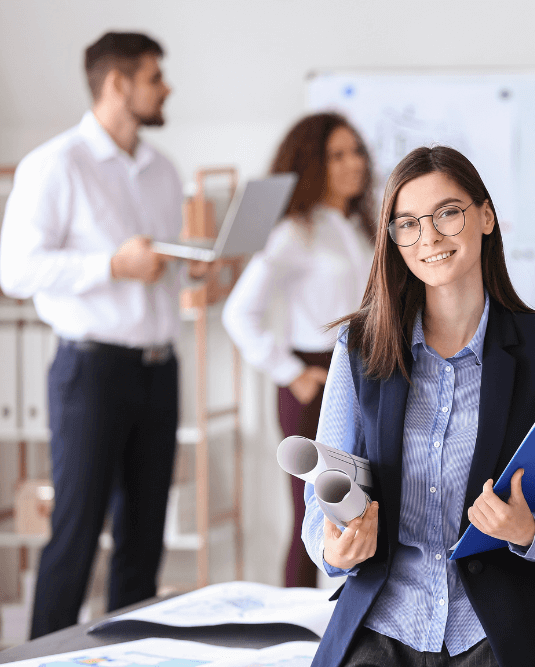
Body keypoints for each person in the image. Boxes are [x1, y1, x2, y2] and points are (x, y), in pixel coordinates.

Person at [302, 146, 535, 667]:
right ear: (392, 240)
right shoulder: (360, 351)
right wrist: (334, 551)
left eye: (447, 213)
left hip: (498, 636)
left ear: (485, 217)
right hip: (383, 629)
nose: (430, 238)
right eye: (408, 223)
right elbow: (318, 512)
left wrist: (526, 532)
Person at [0, 32, 205, 637]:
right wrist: (110, 265)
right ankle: (41, 658)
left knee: (144, 537)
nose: (166, 88)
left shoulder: (163, 171)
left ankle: (129, 653)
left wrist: (192, 274)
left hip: (158, 367)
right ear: (118, 84)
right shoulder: (55, 164)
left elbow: (154, 275)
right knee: (77, 530)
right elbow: (14, 271)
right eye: (154, 77)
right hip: (91, 371)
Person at [222, 112, 375, 588]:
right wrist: (290, 371)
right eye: (338, 155)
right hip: (314, 382)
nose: (354, 164)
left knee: (366, 513)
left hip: (365, 375)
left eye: (356, 152)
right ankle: (294, 641)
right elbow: (238, 313)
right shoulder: (294, 231)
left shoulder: (360, 228)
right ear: (313, 164)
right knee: (313, 520)